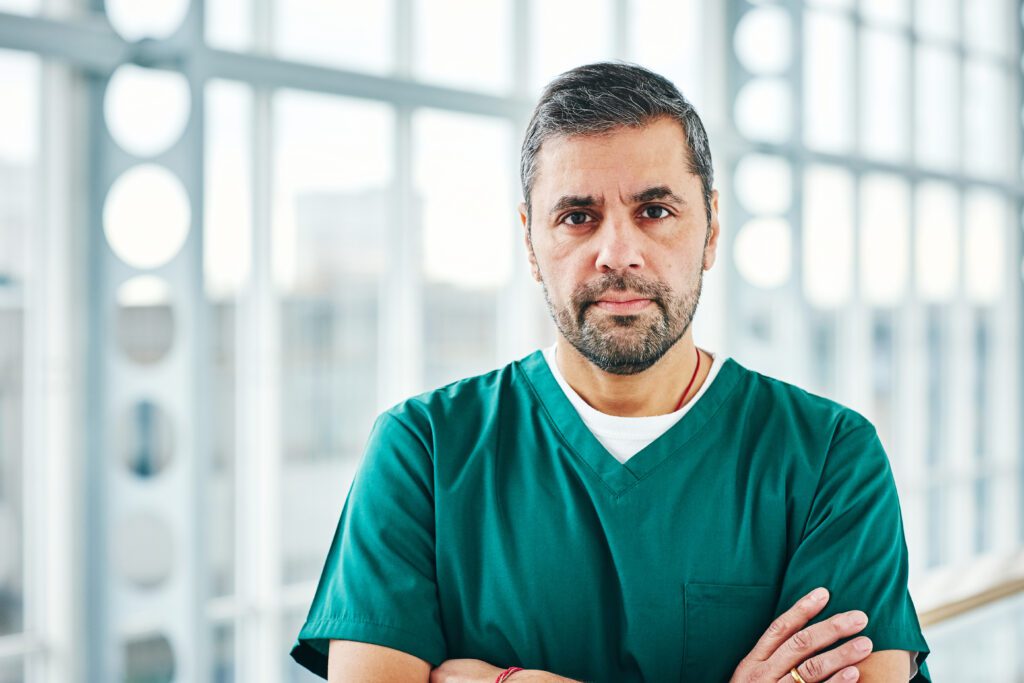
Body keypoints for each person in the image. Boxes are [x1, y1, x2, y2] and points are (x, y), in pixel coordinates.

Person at [289, 62, 931, 682]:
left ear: (710, 230)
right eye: (577, 217)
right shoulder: (423, 448)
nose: (617, 254)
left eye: (655, 211)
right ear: (530, 240)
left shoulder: (828, 456)